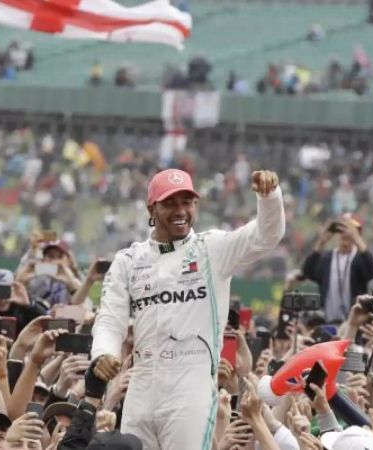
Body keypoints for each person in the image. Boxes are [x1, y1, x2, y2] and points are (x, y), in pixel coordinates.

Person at [91, 168, 285, 450]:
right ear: (151, 208)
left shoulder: (212, 248)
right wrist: (104, 353)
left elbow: (265, 236)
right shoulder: (128, 260)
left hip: (190, 386)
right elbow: (109, 319)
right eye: (170, 203)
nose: (180, 210)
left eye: (187, 201)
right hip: (141, 384)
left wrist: (269, 198)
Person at [299, 215, 373, 324]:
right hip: (328, 321)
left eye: (349, 229)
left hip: (354, 324)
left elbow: (372, 272)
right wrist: (321, 242)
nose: (345, 233)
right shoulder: (327, 258)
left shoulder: (360, 258)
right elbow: (308, 271)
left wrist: (358, 240)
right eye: (341, 230)